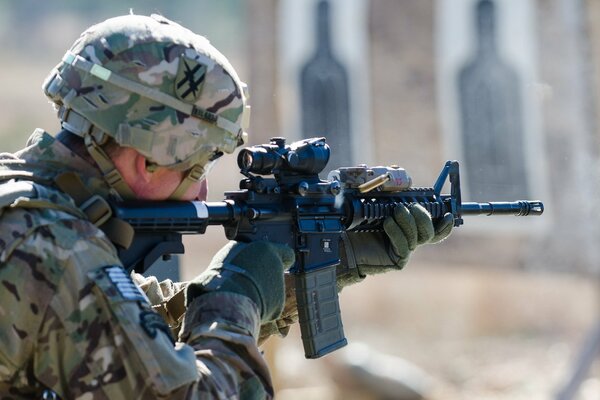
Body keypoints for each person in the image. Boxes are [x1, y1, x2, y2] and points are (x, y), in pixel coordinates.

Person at [0, 14, 453, 399]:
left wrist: (327, 264)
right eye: (197, 169)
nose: (201, 194)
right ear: (146, 160)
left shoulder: (32, 214)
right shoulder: (56, 251)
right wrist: (236, 295)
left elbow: (137, 332)